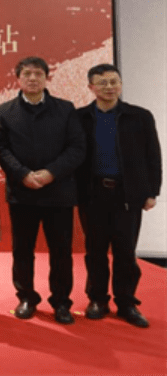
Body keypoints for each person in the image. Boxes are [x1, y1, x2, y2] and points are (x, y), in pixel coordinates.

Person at [0, 56, 85, 324]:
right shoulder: (5, 110)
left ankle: (61, 302)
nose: (33, 79)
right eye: (27, 74)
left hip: (58, 192)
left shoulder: (65, 109)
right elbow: (0, 149)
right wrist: (22, 174)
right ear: (18, 79)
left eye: (38, 74)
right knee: (22, 250)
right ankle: (26, 297)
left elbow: (77, 148)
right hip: (22, 193)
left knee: (61, 251)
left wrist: (50, 173)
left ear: (47, 78)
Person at [76, 63, 162, 328]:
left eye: (114, 82)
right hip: (92, 193)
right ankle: (97, 299)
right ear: (91, 87)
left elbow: (153, 155)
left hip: (128, 194)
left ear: (121, 85)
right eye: (102, 83)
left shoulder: (139, 116)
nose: (109, 87)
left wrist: (152, 191)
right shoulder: (79, 118)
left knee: (125, 251)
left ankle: (126, 301)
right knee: (95, 250)